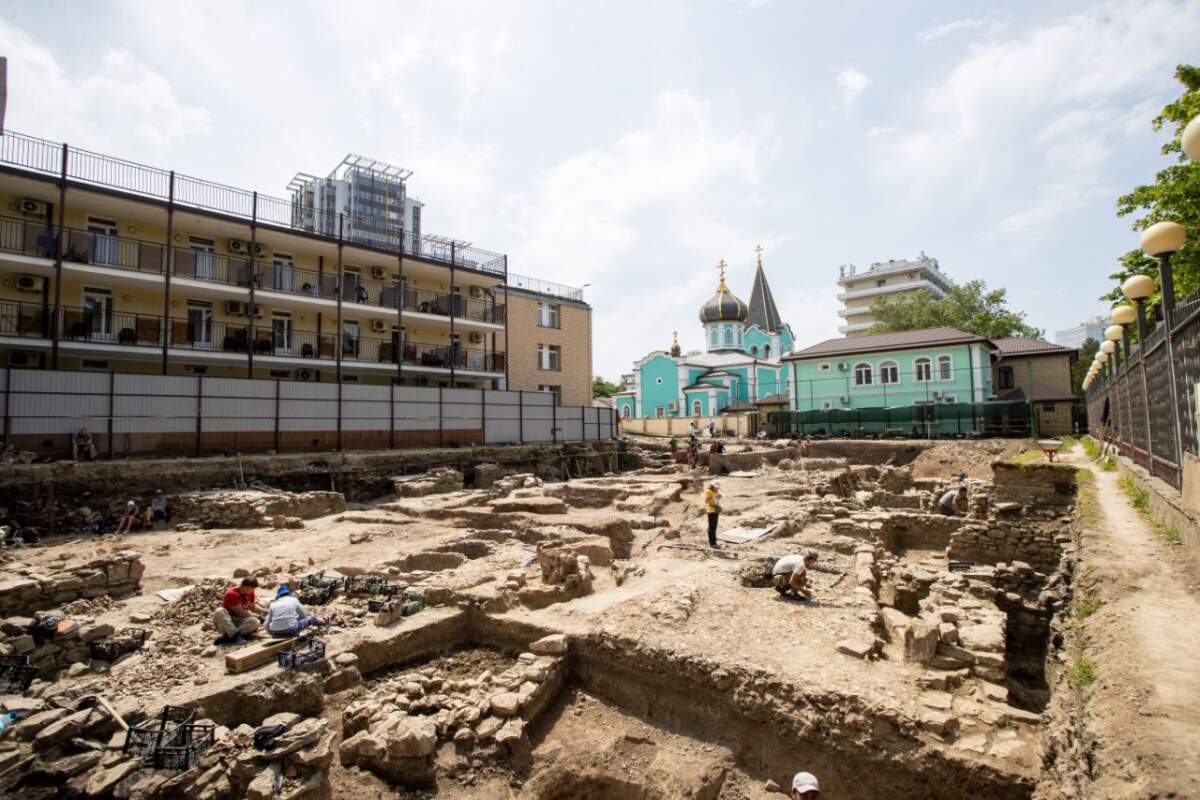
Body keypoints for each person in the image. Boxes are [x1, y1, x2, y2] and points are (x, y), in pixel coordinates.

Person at [213, 577, 264, 645]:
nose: (253, 591)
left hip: (240, 621)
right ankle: (235, 636)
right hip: (229, 621)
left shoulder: (249, 592)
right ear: (246, 587)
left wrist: (267, 611)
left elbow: (253, 607)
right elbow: (241, 613)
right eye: (252, 589)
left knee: (255, 622)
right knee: (219, 611)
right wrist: (258, 616)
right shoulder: (232, 594)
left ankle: (228, 637)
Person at [264, 585, 328, 638]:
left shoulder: (273, 604)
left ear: (278, 596)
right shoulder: (294, 600)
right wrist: (295, 619)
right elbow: (304, 616)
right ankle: (324, 622)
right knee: (310, 619)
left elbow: (266, 623)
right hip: (291, 629)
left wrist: (270, 632)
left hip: (274, 631)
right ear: (288, 593)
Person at [703, 480, 721, 548]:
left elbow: (716, 501)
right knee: (712, 527)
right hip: (711, 510)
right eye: (716, 487)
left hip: (715, 509)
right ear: (712, 485)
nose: (717, 488)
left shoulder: (716, 491)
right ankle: (712, 543)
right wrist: (715, 497)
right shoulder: (708, 491)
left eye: (717, 487)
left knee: (714, 527)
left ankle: (714, 542)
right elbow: (707, 501)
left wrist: (718, 499)